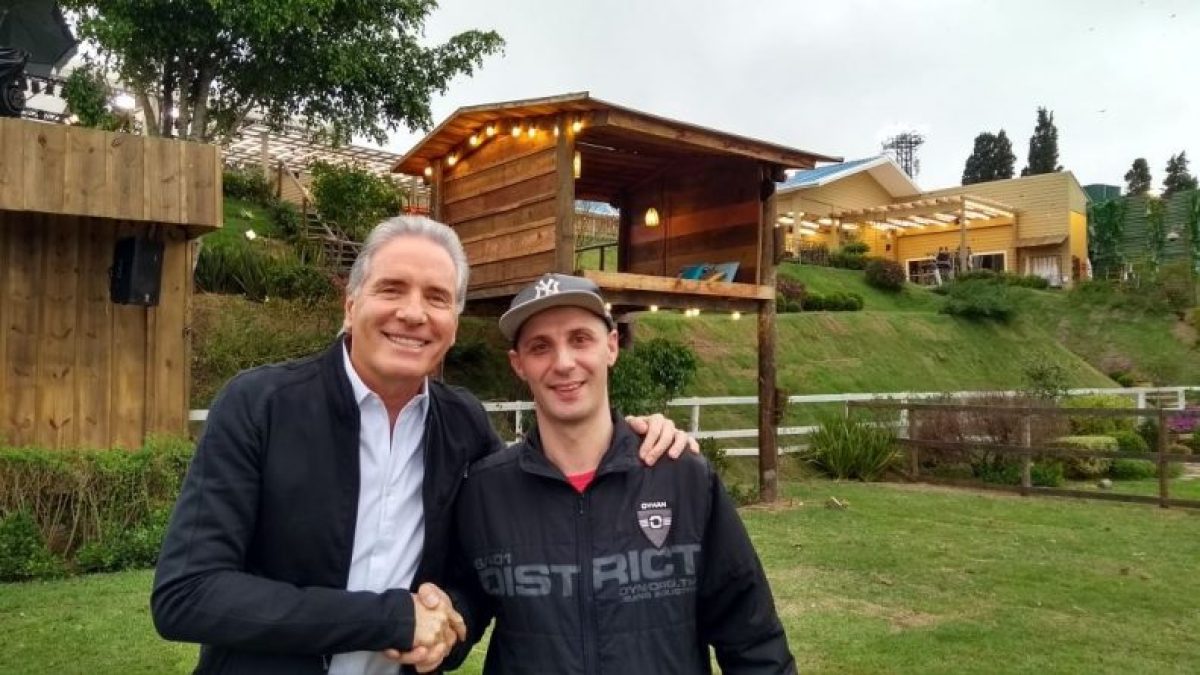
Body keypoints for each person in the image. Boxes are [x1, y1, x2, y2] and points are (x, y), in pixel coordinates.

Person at [151, 217, 695, 674]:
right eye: (392, 289)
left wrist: (630, 437)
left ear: (453, 324)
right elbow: (187, 593)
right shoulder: (260, 406)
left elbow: (484, 561)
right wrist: (388, 619)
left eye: (436, 298)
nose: (413, 313)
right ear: (350, 304)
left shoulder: (463, 425)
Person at [444, 273, 796, 674]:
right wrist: (441, 617)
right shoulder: (486, 491)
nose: (564, 363)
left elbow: (753, 641)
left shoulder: (684, 478)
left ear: (611, 346)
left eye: (580, 339)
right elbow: (460, 605)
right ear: (518, 364)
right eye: (540, 347)